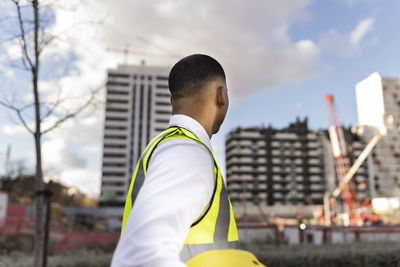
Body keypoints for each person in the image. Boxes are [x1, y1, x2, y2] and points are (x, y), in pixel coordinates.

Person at [111, 54, 238, 267]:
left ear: (172, 101)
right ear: (221, 95)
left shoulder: (165, 146)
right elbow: (139, 258)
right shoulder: (187, 153)